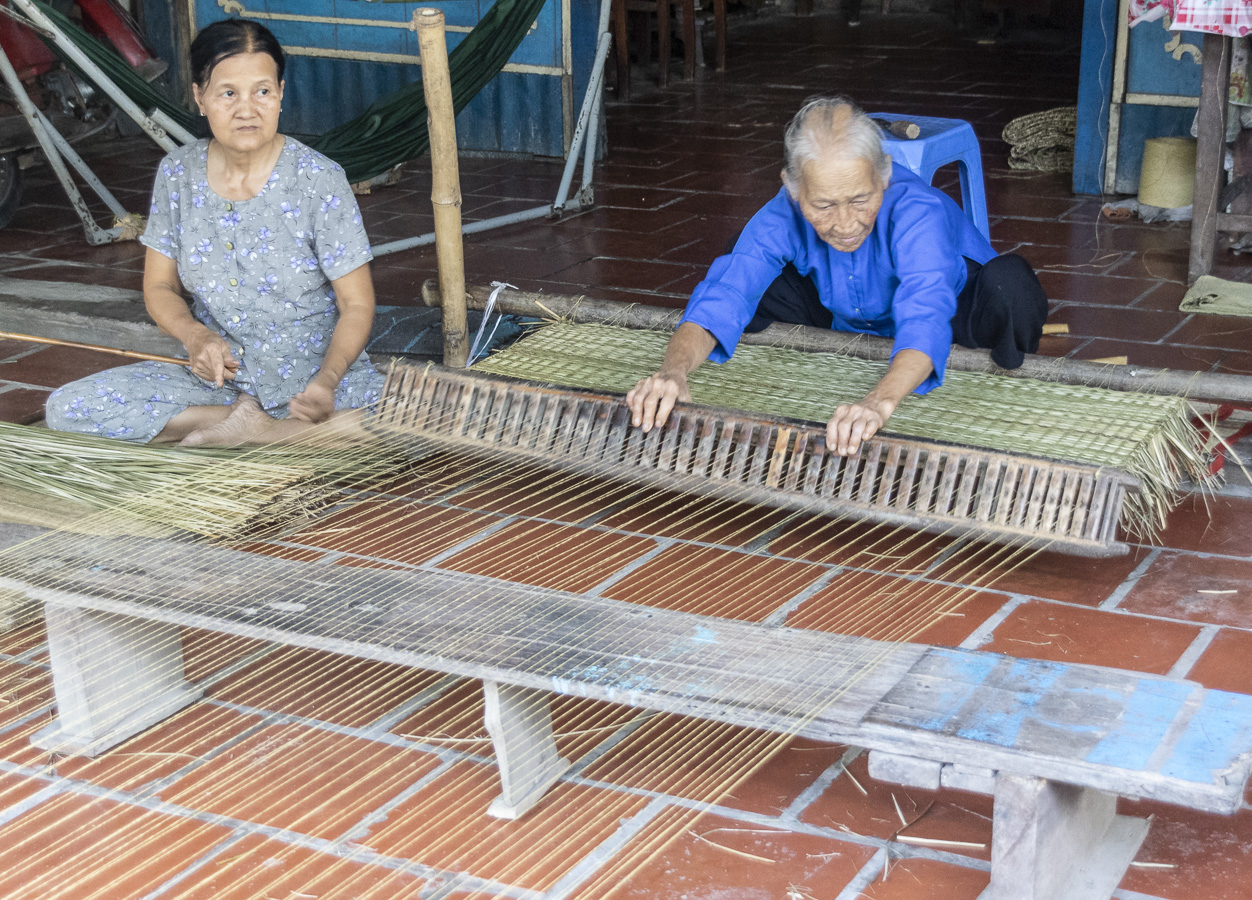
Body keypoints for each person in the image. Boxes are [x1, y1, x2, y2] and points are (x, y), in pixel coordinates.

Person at [626, 96, 1047, 456]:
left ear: (882, 175)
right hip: (844, 315)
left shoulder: (918, 212)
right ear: (793, 187)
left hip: (955, 320)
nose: (845, 224)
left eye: (860, 199)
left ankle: (988, 387)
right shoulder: (783, 209)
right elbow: (727, 291)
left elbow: (926, 314)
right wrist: (673, 372)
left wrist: (878, 404)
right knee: (741, 258)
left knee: (1010, 285)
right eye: (823, 206)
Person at [46, 18, 382, 446]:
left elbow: (357, 305)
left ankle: (265, 430)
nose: (247, 109)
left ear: (280, 93)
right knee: (68, 409)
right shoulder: (178, 174)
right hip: (218, 382)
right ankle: (253, 426)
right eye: (228, 93)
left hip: (313, 383)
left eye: (262, 91)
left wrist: (327, 381)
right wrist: (195, 335)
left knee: (398, 427)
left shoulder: (318, 180)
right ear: (199, 98)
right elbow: (160, 286)